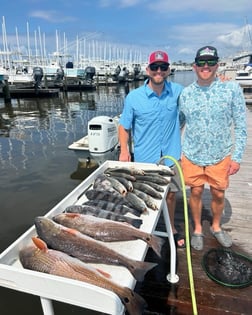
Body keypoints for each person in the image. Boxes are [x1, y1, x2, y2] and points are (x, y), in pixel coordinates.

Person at [179, 46, 247, 250]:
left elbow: (241, 125)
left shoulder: (232, 89)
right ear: (194, 67)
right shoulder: (186, 93)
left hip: (221, 153)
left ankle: (216, 227)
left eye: (210, 62)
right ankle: (198, 228)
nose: (205, 66)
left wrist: (237, 157)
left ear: (217, 65)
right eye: (201, 63)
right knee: (196, 192)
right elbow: (179, 122)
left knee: (218, 193)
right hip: (192, 153)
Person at [118, 50, 185, 248]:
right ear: (148, 70)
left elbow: (194, 108)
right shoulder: (134, 97)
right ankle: (145, 229)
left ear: (168, 70)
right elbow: (124, 126)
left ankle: (171, 227)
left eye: (163, 67)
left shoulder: (179, 91)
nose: (159, 71)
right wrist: (124, 151)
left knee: (172, 193)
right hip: (145, 156)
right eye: (154, 67)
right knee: (143, 195)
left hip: (171, 155)